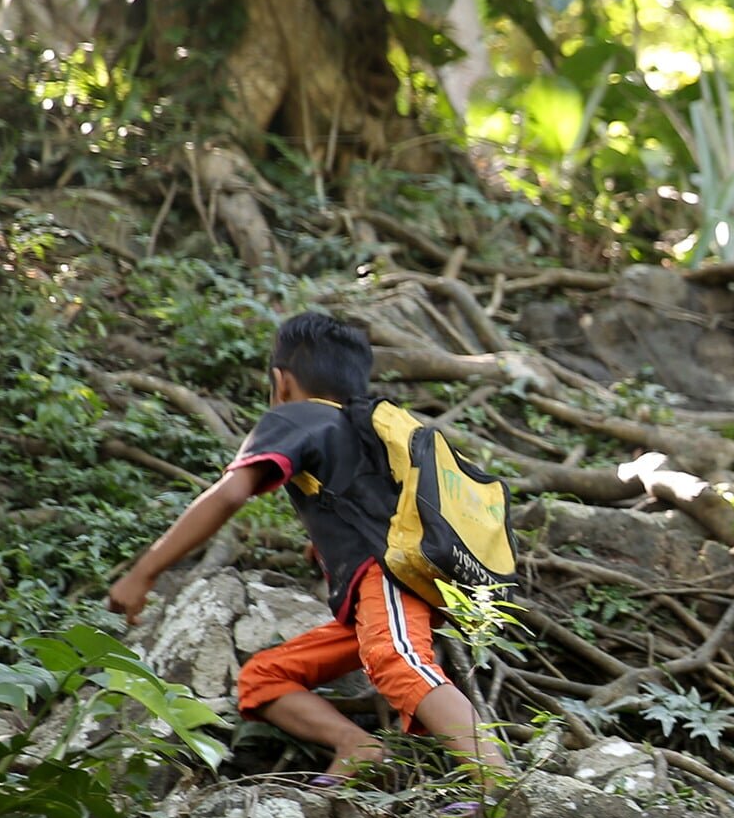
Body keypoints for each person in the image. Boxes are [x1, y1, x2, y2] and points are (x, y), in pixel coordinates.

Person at [107, 312, 496, 784]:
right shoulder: (368, 427)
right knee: (264, 678)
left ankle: (499, 788)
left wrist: (143, 572)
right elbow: (367, 503)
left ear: (280, 381)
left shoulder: (299, 414)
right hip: (394, 590)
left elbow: (231, 493)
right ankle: (358, 744)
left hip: (390, 580)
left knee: (399, 660)